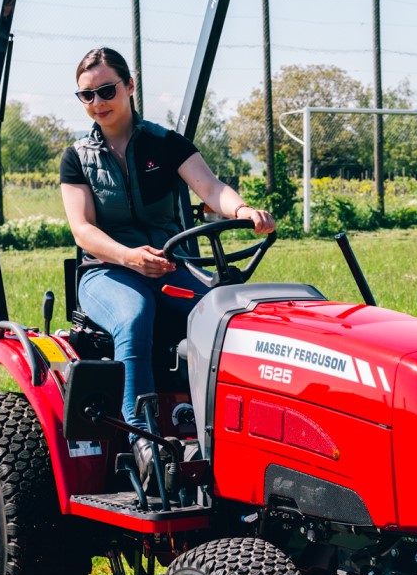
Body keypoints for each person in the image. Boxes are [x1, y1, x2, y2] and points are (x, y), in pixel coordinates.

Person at [60, 47, 274, 483]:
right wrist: (127, 257)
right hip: (106, 271)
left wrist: (243, 210)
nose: (98, 103)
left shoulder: (165, 144)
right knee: (134, 315)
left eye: (106, 90)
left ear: (130, 87)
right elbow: (83, 231)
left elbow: (211, 188)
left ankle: (228, 433)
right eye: (87, 96)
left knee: (224, 315)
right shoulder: (77, 158)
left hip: (168, 265)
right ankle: (143, 441)